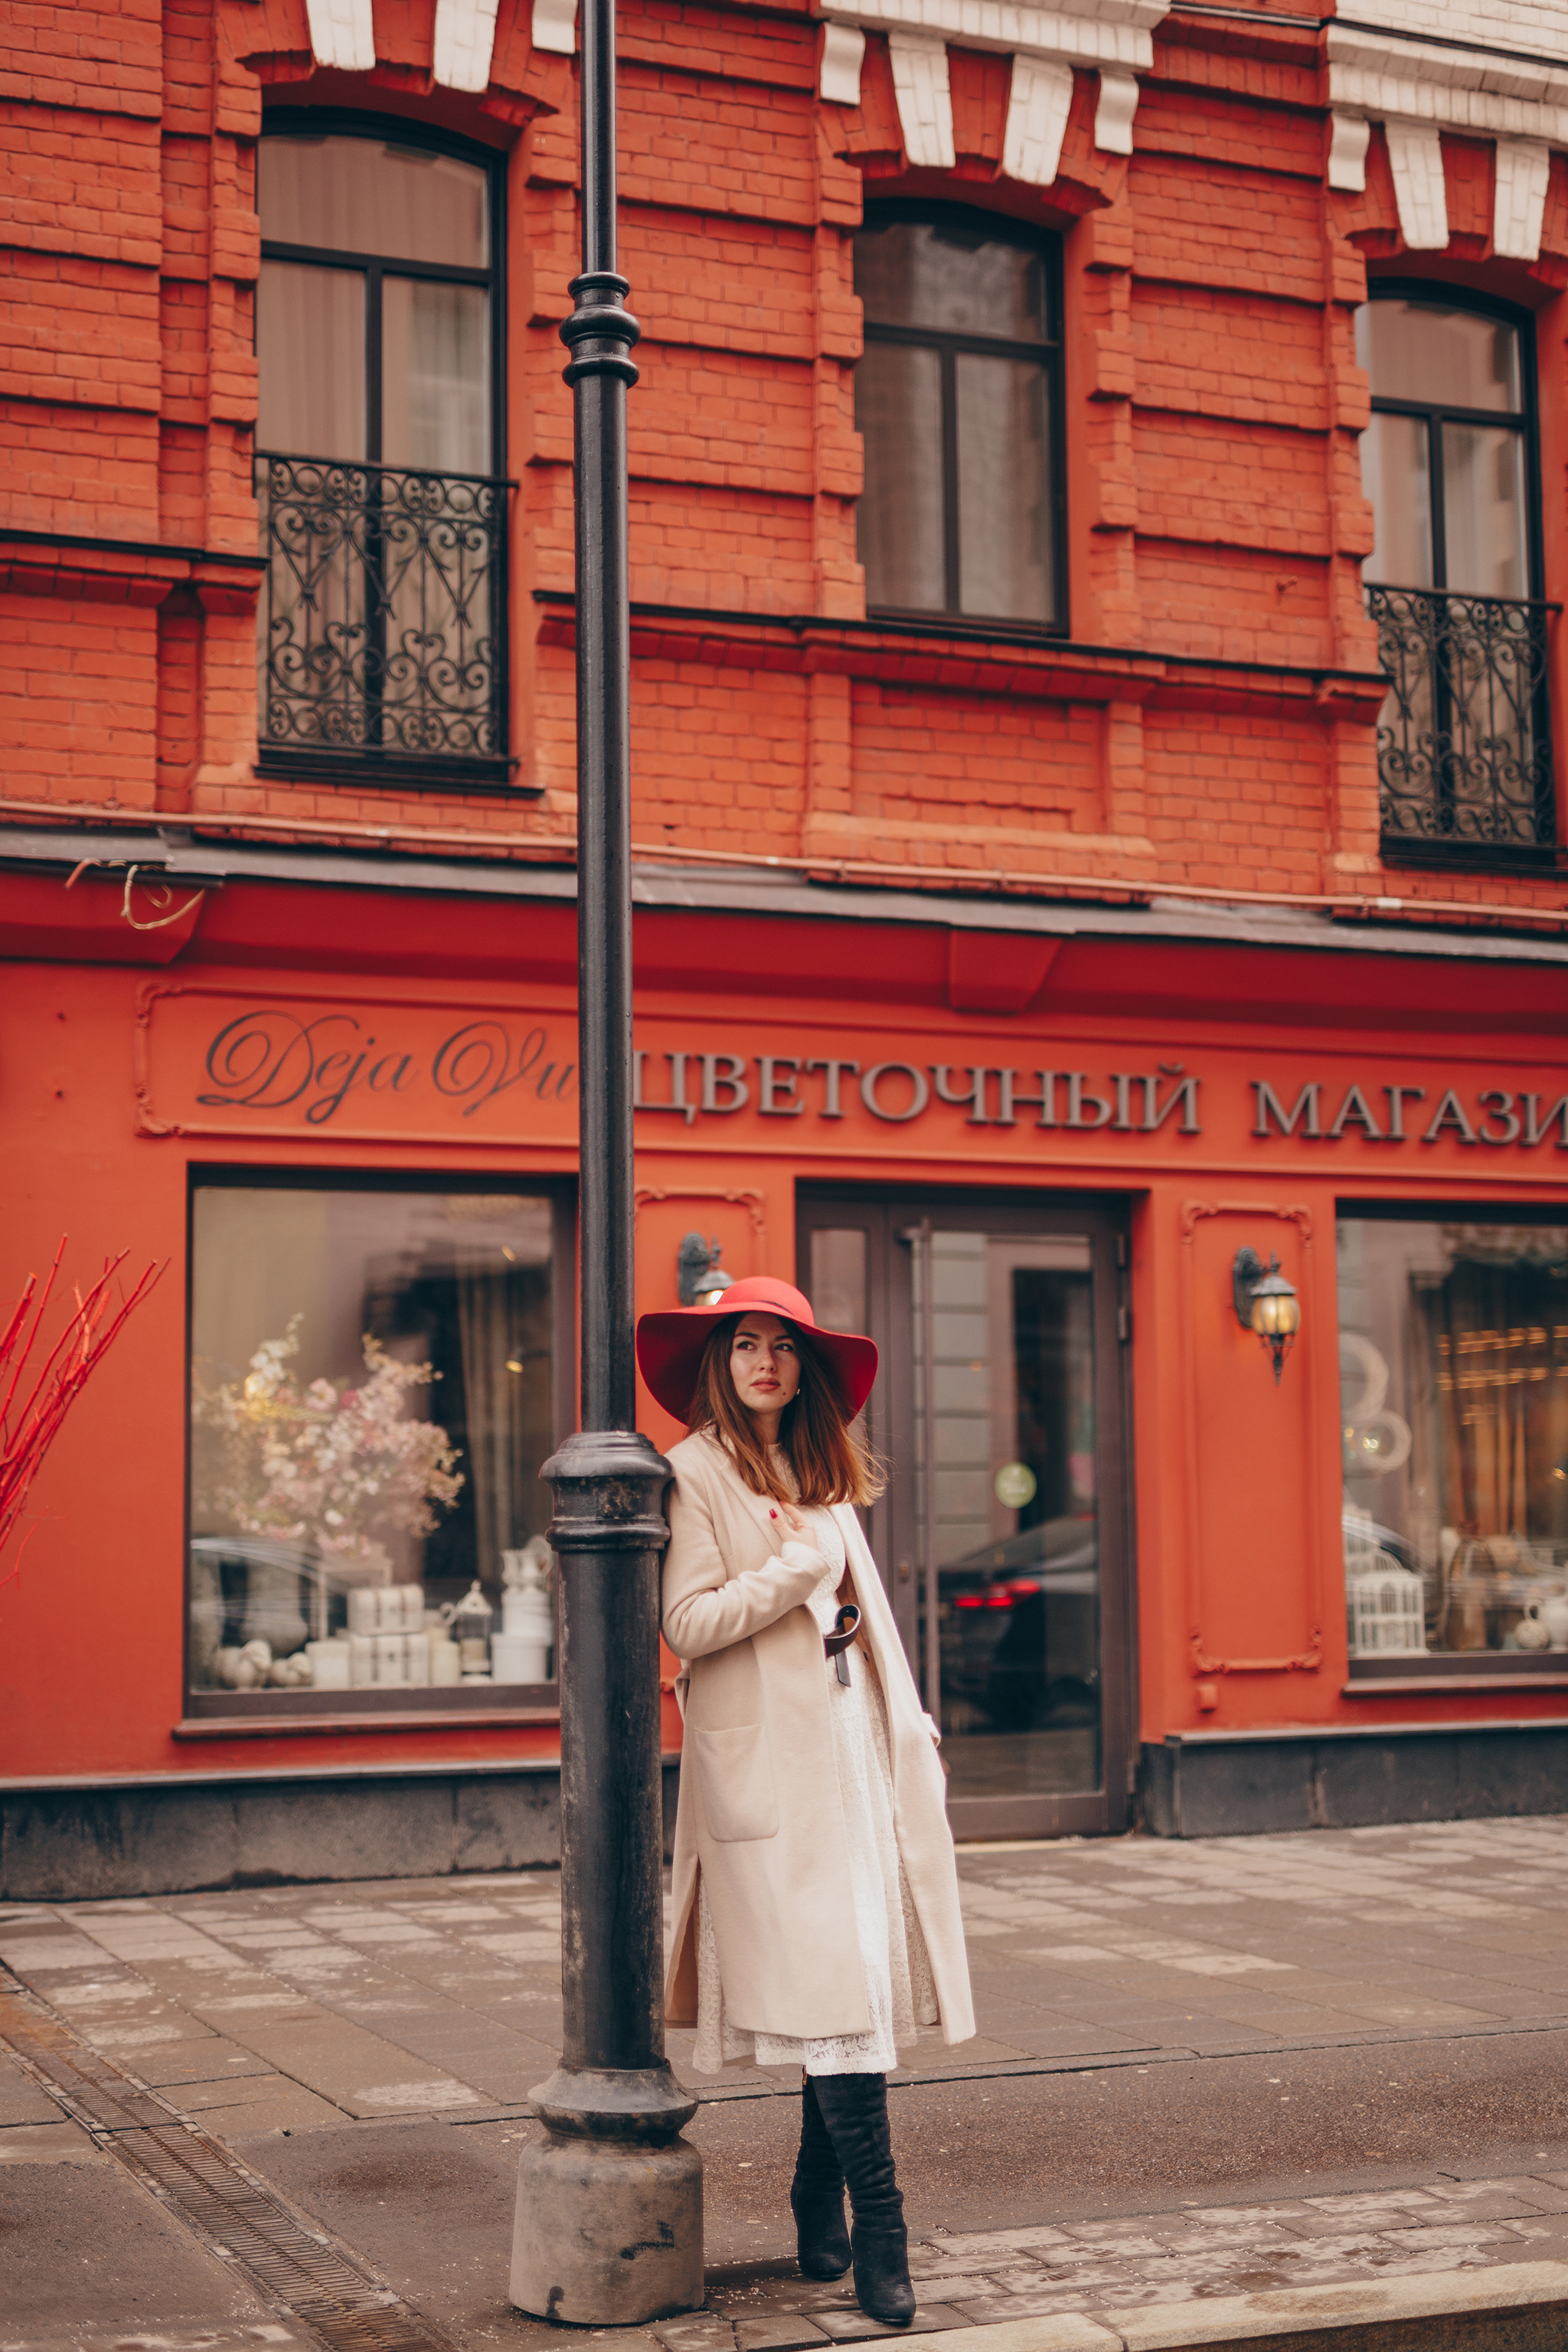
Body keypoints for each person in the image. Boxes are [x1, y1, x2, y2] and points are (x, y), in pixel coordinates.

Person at [636, 1276, 975, 2326]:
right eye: (744, 1344)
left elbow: (863, 1617)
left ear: (805, 1367)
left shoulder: (823, 1471)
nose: (764, 1362)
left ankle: (814, 2192)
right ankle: (883, 2227)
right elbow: (686, 1623)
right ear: (720, 1362)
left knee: (858, 1992)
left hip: (853, 1756)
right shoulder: (691, 1471)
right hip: (772, 1772)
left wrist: (909, 1726)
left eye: (782, 1346)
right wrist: (793, 1570)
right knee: (839, 2004)